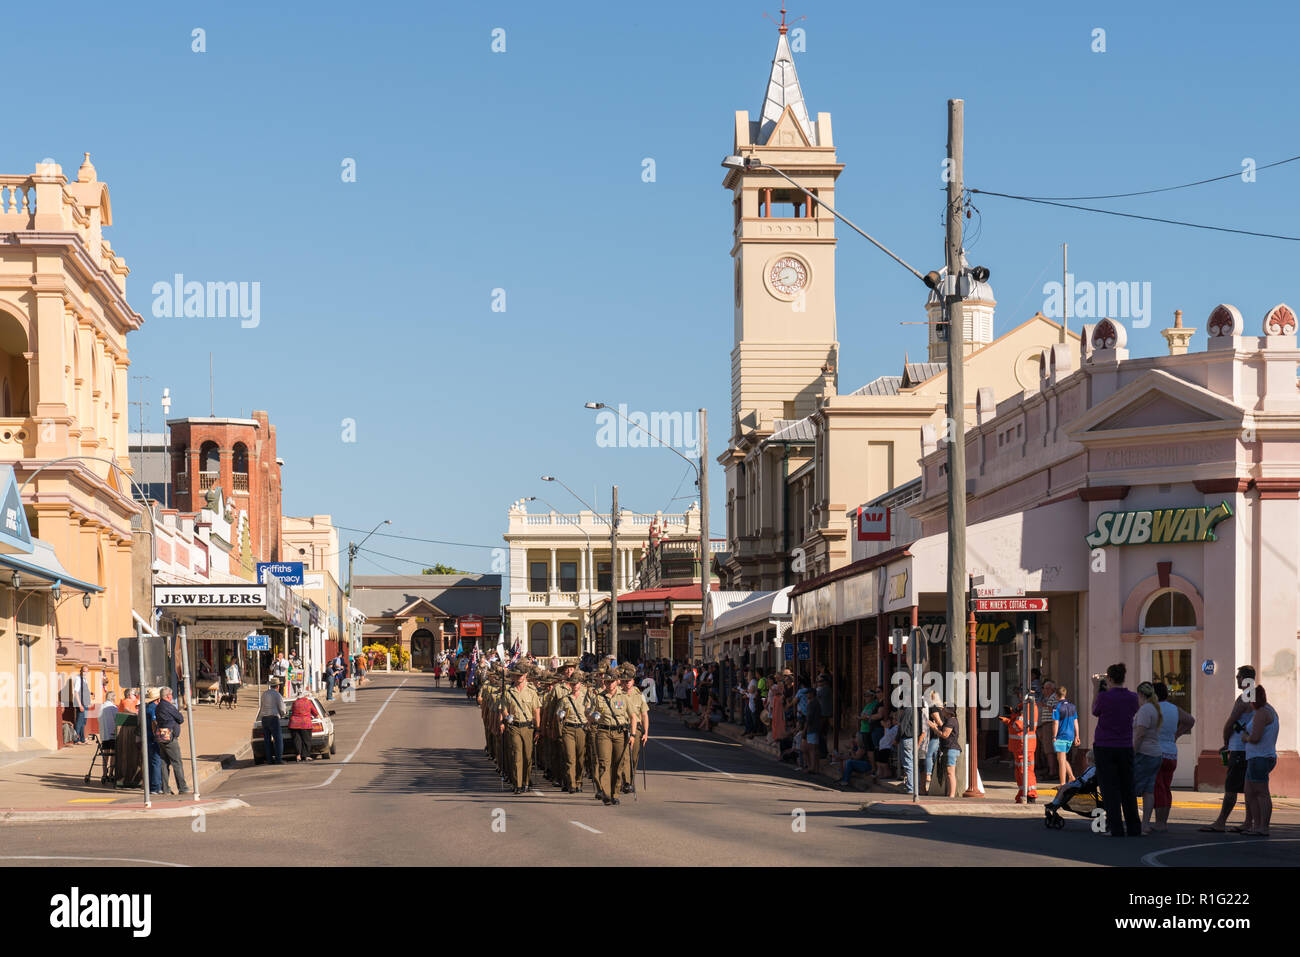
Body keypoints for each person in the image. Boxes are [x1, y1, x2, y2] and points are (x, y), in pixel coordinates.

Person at [1201, 665, 1256, 833]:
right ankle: (1248, 822)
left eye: (1239, 676)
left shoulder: (1245, 697)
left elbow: (1232, 722)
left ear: (1246, 678)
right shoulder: (1255, 696)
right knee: (1248, 788)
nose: (1237, 679)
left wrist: (1225, 741)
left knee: (1231, 787)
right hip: (1247, 748)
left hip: (1239, 748)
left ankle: (1220, 822)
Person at [1091, 662, 1141, 837]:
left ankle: (1116, 827)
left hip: (1105, 745)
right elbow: (1134, 711)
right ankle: (1134, 826)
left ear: (1110, 678)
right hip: (1125, 745)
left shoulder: (1104, 697)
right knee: (1128, 787)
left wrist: (1096, 688)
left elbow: (1094, 711)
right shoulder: (1133, 697)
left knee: (1109, 788)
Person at [1242, 684, 1277, 837]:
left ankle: (1263, 827)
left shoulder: (1261, 713)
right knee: (1250, 792)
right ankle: (1257, 826)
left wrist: (1245, 737)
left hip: (1259, 757)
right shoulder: (1270, 711)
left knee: (1261, 793)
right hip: (1259, 757)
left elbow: (1255, 738)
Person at [499, 667, 542, 795]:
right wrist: (507, 717)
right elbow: (504, 708)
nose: (519, 677)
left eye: (521, 675)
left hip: (528, 727)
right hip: (515, 726)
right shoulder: (509, 692)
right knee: (517, 754)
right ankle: (517, 784)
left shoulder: (531, 692)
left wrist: (538, 729)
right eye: (516, 675)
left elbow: (536, 711)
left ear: (525, 675)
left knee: (527, 756)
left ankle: (526, 782)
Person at [1132, 682, 1166, 833]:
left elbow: (1140, 734)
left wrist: (1132, 752)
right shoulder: (1154, 708)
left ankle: (1135, 823)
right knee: (1148, 790)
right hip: (1155, 754)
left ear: (1141, 695)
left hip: (1144, 754)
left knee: (1131, 788)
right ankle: (1144, 824)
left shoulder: (1145, 710)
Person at [1000, 687, 1039, 802]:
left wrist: (1009, 721)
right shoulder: (1024, 707)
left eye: (1020, 694)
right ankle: (1024, 792)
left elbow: (1018, 725)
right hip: (1022, 745)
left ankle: (1031, 794)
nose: (1019, 696)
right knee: (1021, 770)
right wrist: (1011, 717)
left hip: (1024, 745)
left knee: (1024, 770)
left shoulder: (1028, 707)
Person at [154, 687, 189, 793]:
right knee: (177, 762)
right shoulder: (168, 706)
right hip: (170, 737)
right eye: (171, 695)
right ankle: (182, 788)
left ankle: (165, 788)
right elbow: (180, 718)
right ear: (168, 696)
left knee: (164, 763)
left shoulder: (159, 706)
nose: (172, 696)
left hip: (161, 736)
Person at [1051, 685, 1081, 786]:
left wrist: (1054, 736)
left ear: (1056, 695)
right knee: (1062, 758)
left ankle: (1062, 784)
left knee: (1061, 760)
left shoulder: (1057, 707)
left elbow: (1055, 723)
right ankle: (1071, 777)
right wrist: (1077, 736)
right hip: (1070, 736)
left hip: (1061, 735)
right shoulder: (1072, 706)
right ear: (1065, 694)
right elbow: (1076, 722)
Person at [934, 704, 961, 797]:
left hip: (951, 749)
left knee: (950, 773)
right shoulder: (950, 720)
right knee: (948, 773)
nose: (942, 710)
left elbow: (945, 735)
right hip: (949, 749)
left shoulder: (951, 720)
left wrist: (934, 728)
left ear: (949, 711)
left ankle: (951, 795)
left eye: (944, 709)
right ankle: (950, 793)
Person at [260, 678, 286, 765]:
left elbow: (261, 706)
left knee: (267, 740)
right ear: (278, 686)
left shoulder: (264, 694)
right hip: (273, 717)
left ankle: (269, 759)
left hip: (264, 718)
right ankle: (278, 759)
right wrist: (282, 714)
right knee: (278, 739)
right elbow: (282, 708)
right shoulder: (277, 695)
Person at [143, 688, 164, 794]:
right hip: (153, 738)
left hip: (147, 737)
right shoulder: (154, 709)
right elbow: (154, 723)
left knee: (151, 762)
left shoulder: (147, 707)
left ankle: (152, 785)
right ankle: (156, 786)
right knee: (156, 762)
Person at [288, 693, 314, 761]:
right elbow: (314, 712)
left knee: (297, 740)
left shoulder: (295, 702)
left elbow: (291, 711)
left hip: (294, 724)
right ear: (305, 696)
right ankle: (306, 756)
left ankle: (298, 755)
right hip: (305, 724)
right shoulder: (308, 702)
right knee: (306, 740)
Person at [70, 665, 93, 744]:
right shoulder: (78, 679)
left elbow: (83, 690)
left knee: (83, 722)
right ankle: (76, 739)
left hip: (85, 703)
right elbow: (76, 692)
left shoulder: (84, 680)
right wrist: (80, 705)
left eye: (86, 671)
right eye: (84, 671)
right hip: (81, 703)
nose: (85, 673)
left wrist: (90, 693)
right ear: (81, 671)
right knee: (79, 722)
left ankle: (82, 739)